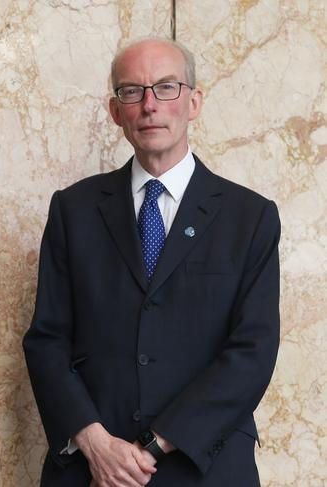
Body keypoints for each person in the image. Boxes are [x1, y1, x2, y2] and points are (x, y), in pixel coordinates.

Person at [23, 37, 280, 487]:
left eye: (166, 88)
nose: (148, 105)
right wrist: (95, 442)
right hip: (92, 468)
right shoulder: (73, 210)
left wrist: (154, 445)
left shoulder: (250, 217)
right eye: (131, 91)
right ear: (114, 110)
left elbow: (252, 353)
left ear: (194, 102)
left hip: (206, 465)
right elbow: (47, 340)